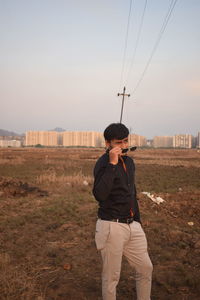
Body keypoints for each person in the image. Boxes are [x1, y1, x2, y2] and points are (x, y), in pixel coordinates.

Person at [93, 123, 153, 300]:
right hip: (112, 226)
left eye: (125, 141)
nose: (123, 146)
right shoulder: (102, 164)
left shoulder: (130, 162)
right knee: (111, 278)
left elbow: (131, 192)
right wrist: (112, 164)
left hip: (132, 224)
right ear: (107, 143)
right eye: (118, 142)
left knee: (145, 268)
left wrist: (138, 222)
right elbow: (100, 194)